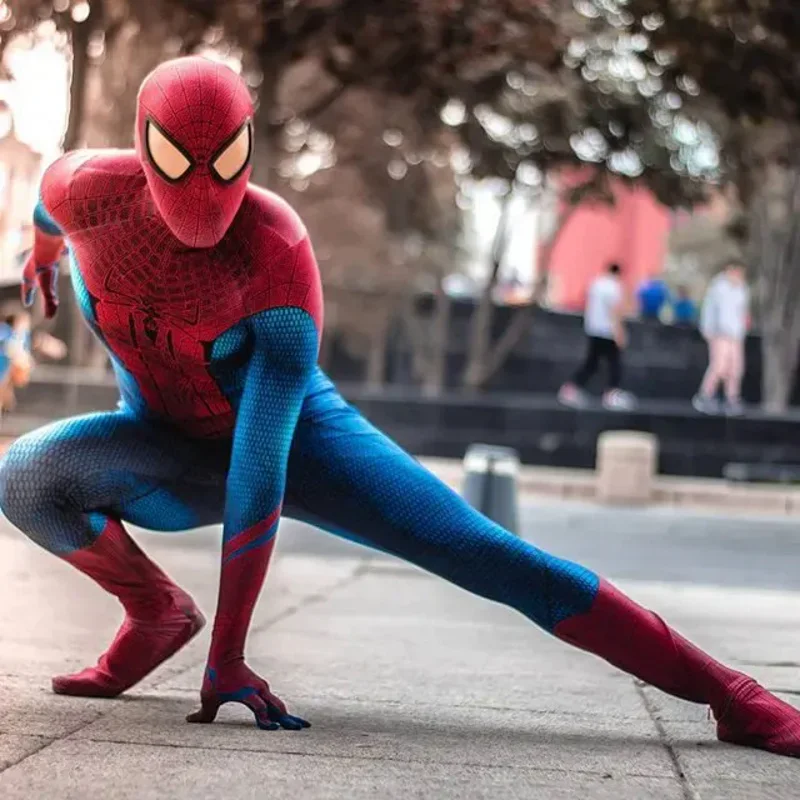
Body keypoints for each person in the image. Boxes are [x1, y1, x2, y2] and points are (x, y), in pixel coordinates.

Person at [0, 58, 798, 757]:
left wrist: (232, 656)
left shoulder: (275, 252)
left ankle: (736, 696)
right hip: (161, 443)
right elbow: (45, 206)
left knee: (494, 557)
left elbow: (260, 469)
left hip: (302, 443)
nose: (202, 191)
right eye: (178, 162)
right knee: (25, 477)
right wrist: (41, 258)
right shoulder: (83, 190)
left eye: (224, 162)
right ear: (142, 145)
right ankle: (155, 611)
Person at [559, 263, 635, 410]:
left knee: (592, 362)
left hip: (594, 329)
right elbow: (615, 310)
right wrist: (619, 332)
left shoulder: (596, 284)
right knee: (614, 363)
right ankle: (611, 394)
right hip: (607, 331)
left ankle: (571, 389)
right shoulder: (614, 287)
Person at [693, 262, 749, 415]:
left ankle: (732, 398)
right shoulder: (718, 288)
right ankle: (705, 396)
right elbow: (709, 310)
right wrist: (708, 330)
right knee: (719, 366)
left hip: (735, 335)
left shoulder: (742, 289)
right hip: (720, 333)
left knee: (735, 368)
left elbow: (742, 313)